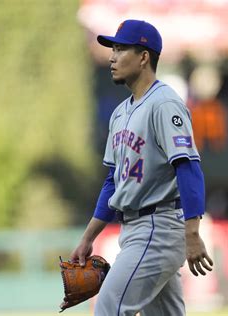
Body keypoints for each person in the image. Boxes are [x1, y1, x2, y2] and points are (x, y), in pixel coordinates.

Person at [67, 20, 213, 315]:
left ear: (144, 56)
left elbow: (188, 167)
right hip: (135, 228)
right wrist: (88, 238)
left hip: (157, 228)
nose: (111, 57)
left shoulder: (164, 104)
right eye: (113, 50)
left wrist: (193, 232)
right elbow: (113, 183)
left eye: (120, 49)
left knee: (108, 308)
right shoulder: (120, 114)